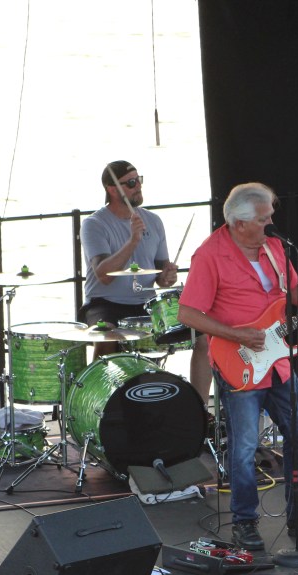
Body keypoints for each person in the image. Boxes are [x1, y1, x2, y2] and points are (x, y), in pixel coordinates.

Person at [177, 182, 298, 550]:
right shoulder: (210, 255)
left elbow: (295, 292)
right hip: (238, 362)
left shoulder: (274, 248)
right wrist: (237, 335)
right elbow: (188, 312)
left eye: (271, 215)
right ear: (239, 223)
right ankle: (244, 522)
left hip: (278, 362)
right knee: (244, 447)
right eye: (263, 219)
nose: (271, 224)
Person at [79, 160, 212, 404]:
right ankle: (94, 403)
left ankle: (200, 407)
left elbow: (161, 276)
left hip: (146, 301)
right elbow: (103, 275)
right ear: (112, 189)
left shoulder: (153, 220)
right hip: (105, 301)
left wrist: (168, 275)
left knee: (203, 338)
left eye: (138, 179)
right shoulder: (94, 224)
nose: (137, 186)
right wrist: (132, 241)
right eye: (130, 183)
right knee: (106, 334)